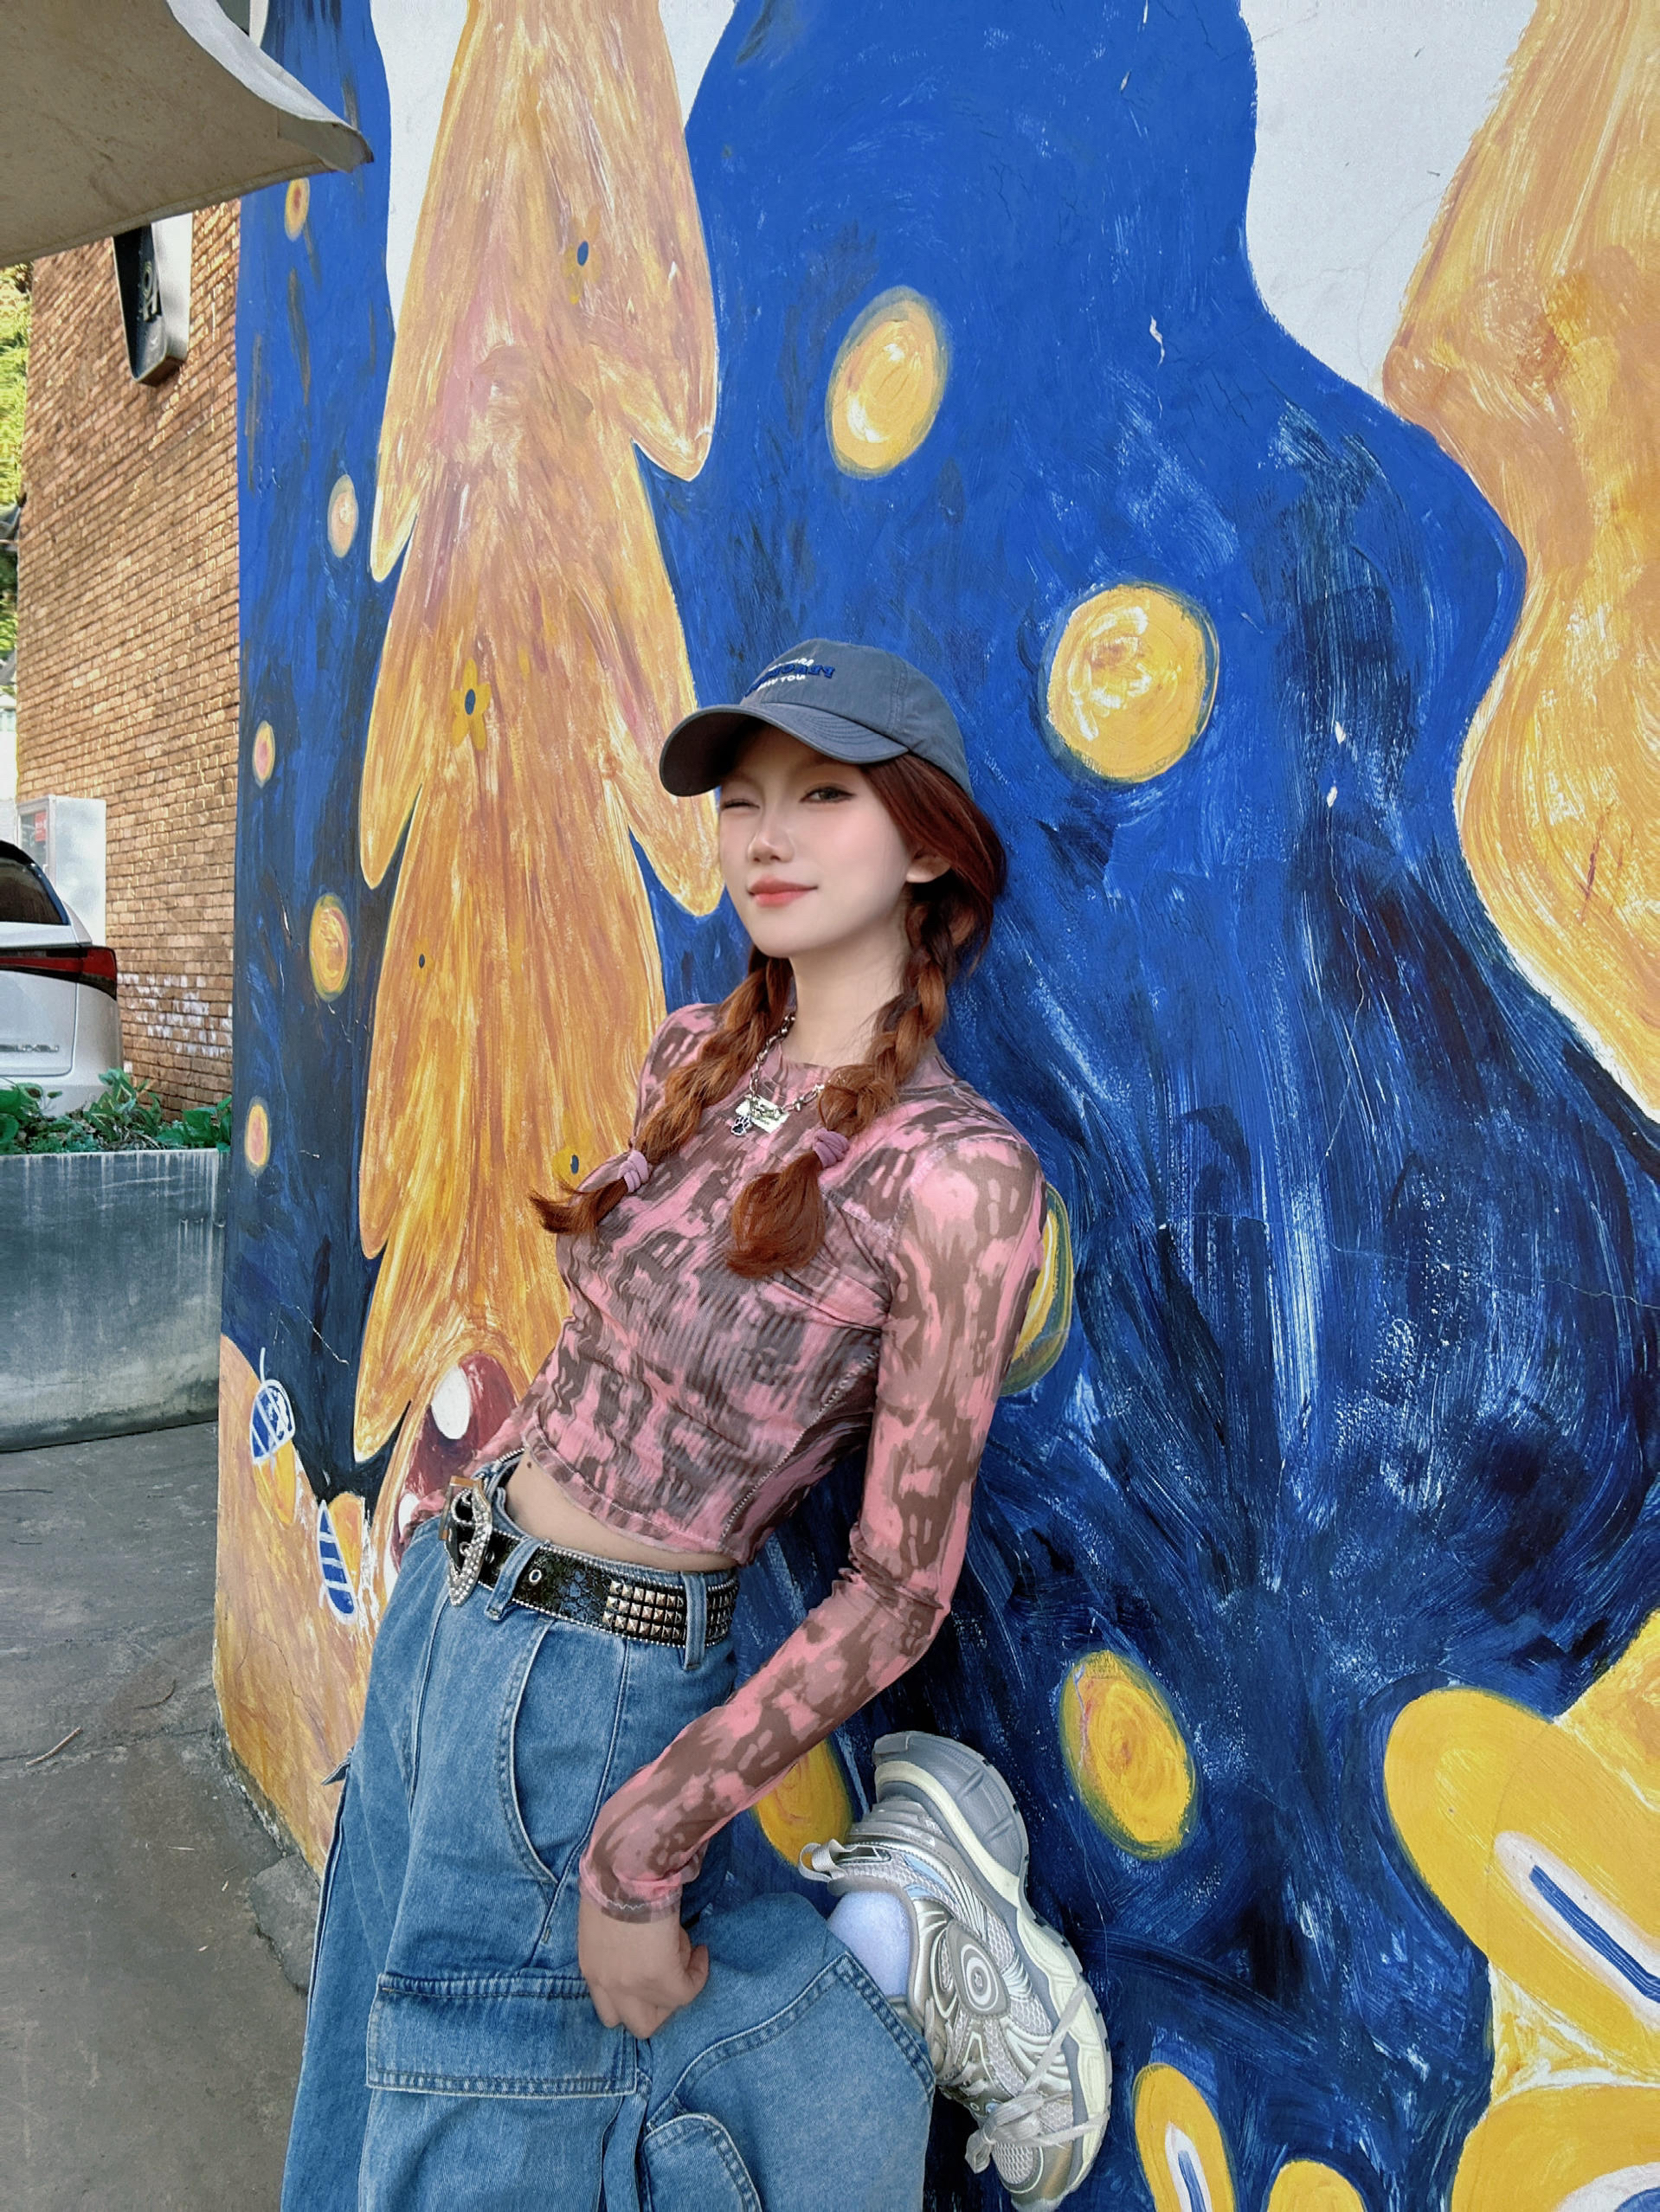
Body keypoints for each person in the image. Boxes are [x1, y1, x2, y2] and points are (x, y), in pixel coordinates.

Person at [282, 641, 1111, 2210]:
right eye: (741, 802)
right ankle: (861, 1961)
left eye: (822, 796)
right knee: (364, 2062)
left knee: (489, 2142)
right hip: (451, 1614)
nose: (766, 838)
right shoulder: (692, 1054)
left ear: (924, 843)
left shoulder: (958, 1177)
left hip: (597, 1680)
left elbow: (898, 1589)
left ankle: (883, 1963)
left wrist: (643, 1843)